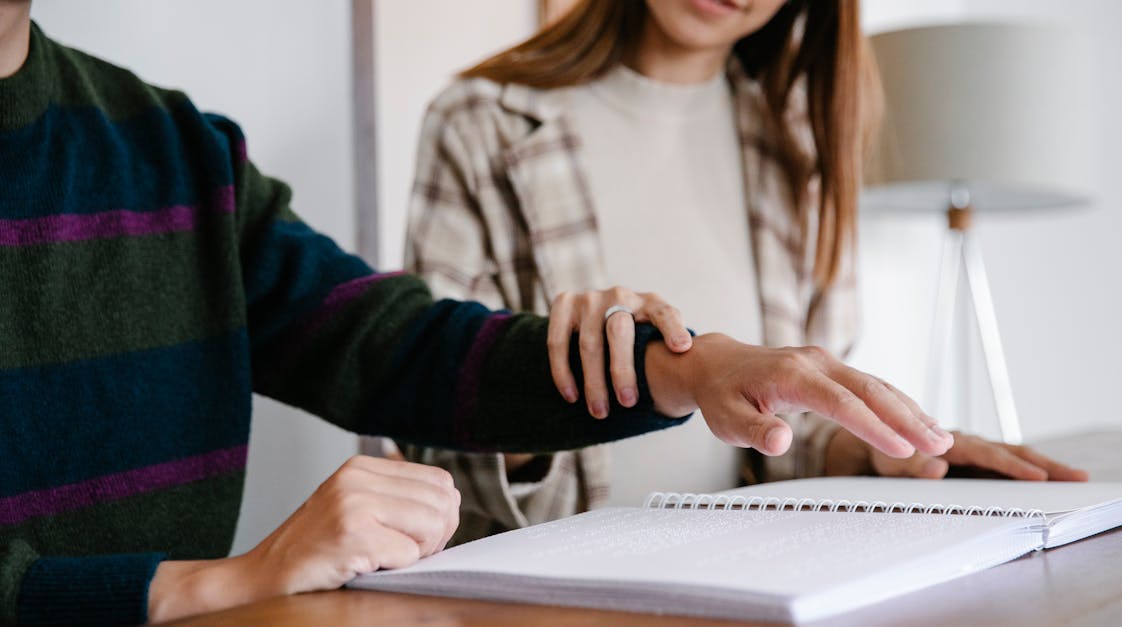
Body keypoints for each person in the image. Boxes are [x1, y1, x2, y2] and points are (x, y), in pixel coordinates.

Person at [0, 3, 958, 624]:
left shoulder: (173, 148)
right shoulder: (484, 117)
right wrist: (208, 583)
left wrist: (685, 367)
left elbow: (396, 343)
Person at [400, 0, 1088, 544]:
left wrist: (878, 452)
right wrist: (559, 378)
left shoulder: (797, 143)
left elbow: (780, 431)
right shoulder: (480, 122)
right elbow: (426, 419)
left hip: (743, 590)